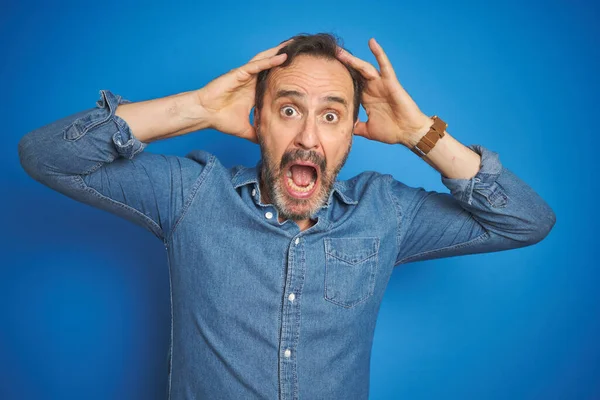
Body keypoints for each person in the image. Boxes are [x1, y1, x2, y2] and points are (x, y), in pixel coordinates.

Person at [18, 33, 555, 399]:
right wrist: (198, 109)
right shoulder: (193, 193)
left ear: (352, 132)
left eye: (331, 116)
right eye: (290, 110)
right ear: (258, 122)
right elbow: (46, 156)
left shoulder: (385, 211)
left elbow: (526, 220)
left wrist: (421, 134)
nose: (308, 137)